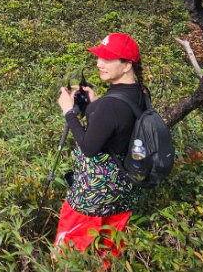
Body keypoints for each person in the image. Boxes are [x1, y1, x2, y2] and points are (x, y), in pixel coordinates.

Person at [53, 32, 148, 264]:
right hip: (123, 192)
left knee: (69, 257)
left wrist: (69, 111)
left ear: (127, 65)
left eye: (107, 59)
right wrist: (92, 106)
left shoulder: (110, 105)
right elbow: (117, 127)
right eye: (98, 57)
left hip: (93, 196)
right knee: (107, 256)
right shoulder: (140, 93)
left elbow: (89, 147)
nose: (98, 63)